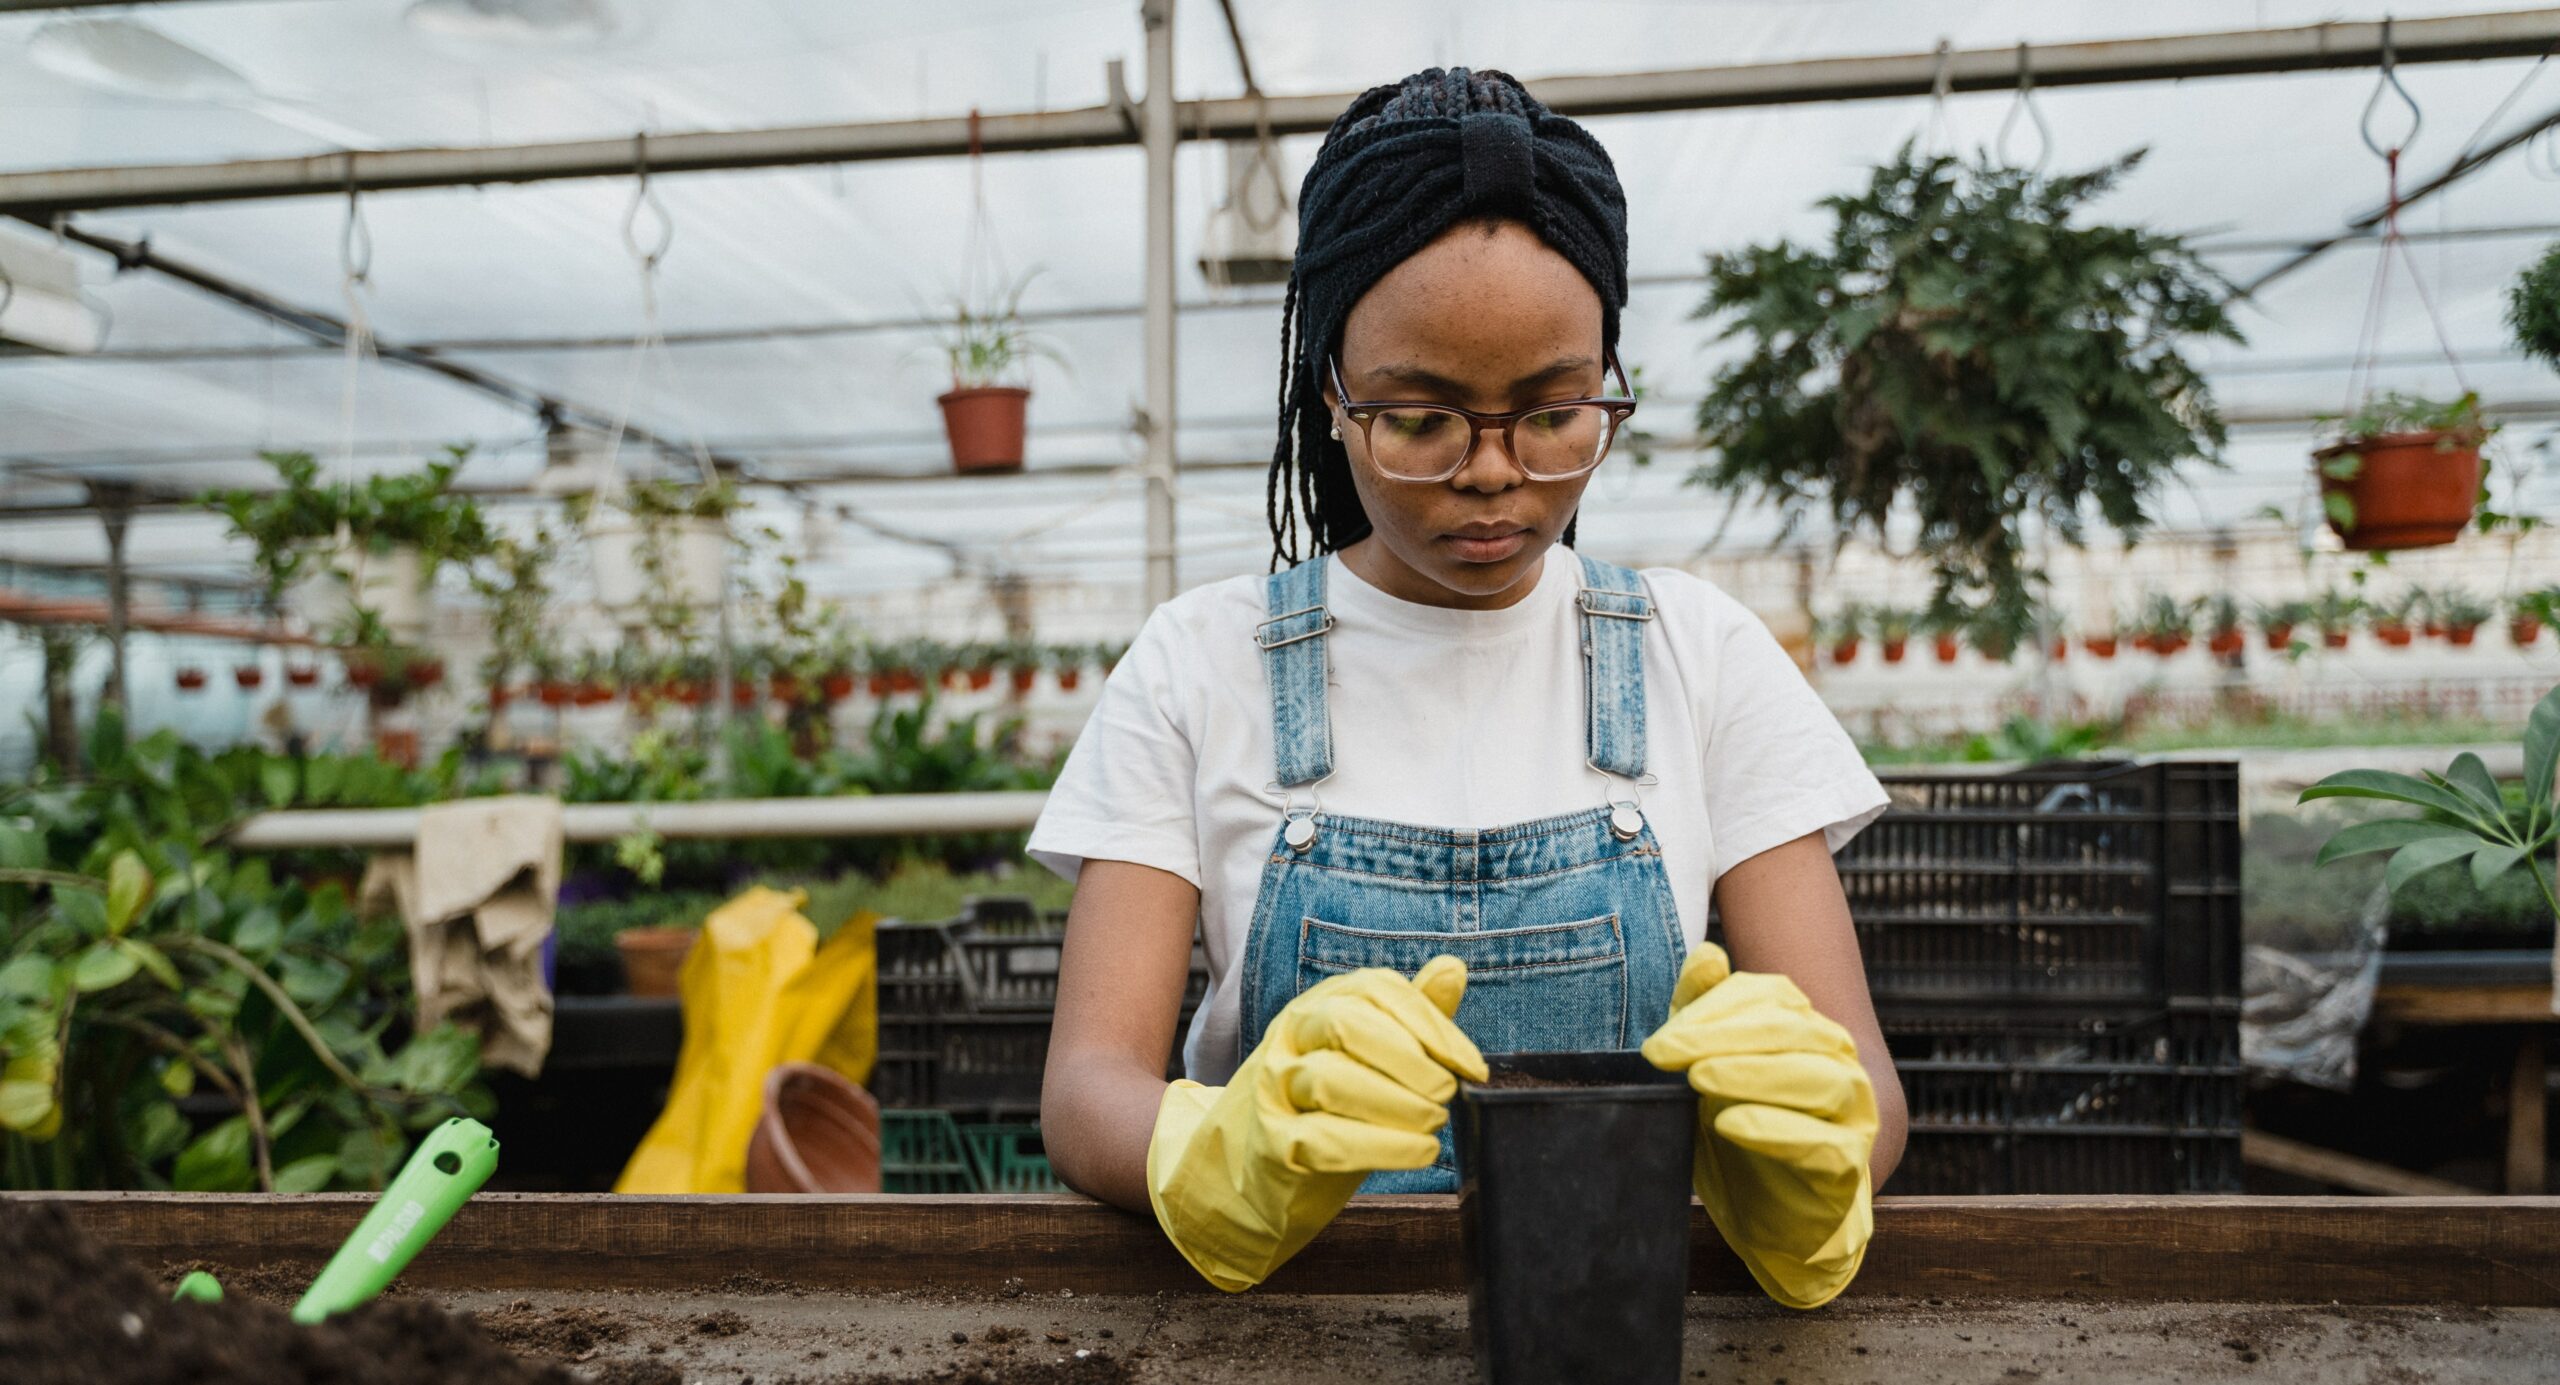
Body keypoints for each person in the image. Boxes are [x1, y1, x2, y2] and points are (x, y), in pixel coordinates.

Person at [1028, 67, 1904, 1309]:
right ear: (1329, 396)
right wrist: (1210, 1147)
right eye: (1421, 420)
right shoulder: (1198, 661)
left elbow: (1861, 1080)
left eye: (1553, 413)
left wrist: (1808, 1160)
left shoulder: (1696, 651)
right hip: (1297, 1325)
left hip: (1616, 1320)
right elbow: (1085, 1087)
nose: (1494, 474)